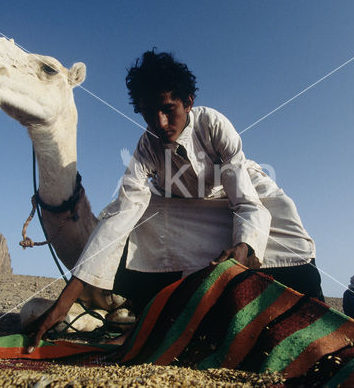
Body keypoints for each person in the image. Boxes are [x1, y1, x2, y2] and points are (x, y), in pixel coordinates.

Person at [27, 50, 323, 352]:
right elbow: (121, 215)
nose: (160, 122)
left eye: (169, 109)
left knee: (284, 222)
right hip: (182, 208)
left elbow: (245, 203)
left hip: (237, 196)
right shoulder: (146, 148)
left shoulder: (214, 126)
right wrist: (65, 301)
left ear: (189, 102)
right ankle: (155, 320)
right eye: (148, 112)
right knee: (133, 228)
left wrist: (244, 246)